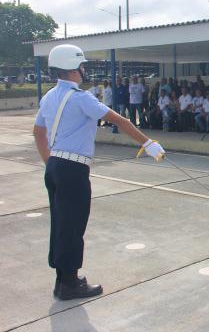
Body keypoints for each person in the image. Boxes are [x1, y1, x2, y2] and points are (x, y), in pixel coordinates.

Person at [33, 44, 165, 301]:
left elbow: (39, 133)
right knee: (73, 226)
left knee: (61, 224)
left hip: (56, 167)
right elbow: (121, 120)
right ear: (74, 68)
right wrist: (148, 144)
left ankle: (63, 280)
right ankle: (70, 284)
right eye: (82, 66)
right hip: (73, 169)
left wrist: (50, 162)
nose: (84, 71)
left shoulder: (49, 97)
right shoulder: (81, 98)